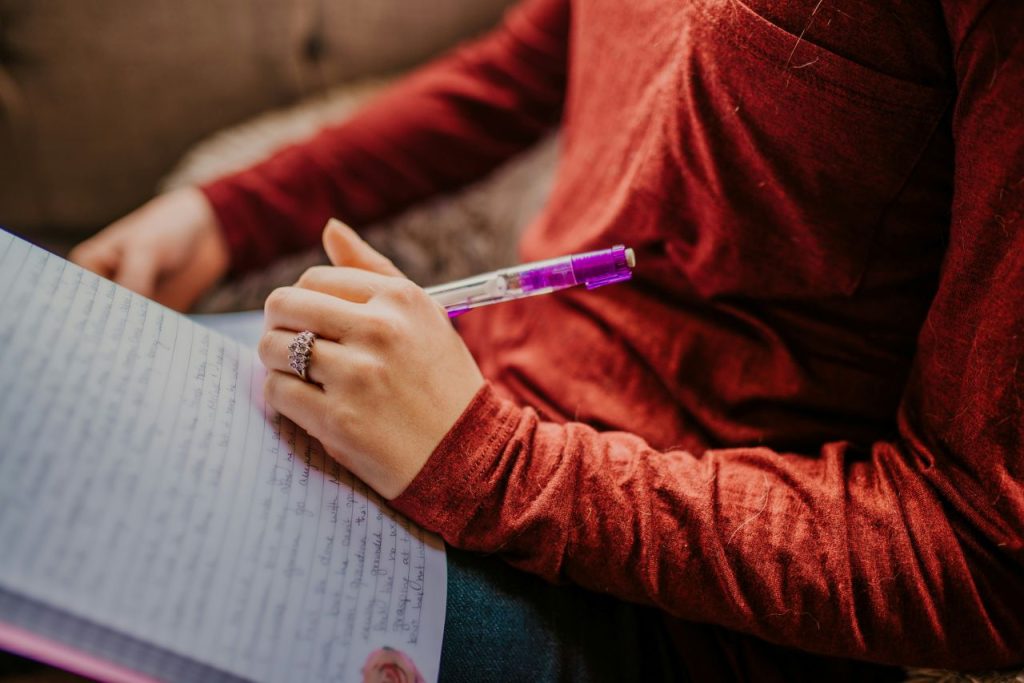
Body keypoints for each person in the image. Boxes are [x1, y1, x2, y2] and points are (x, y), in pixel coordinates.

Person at [70, 0, 1023, 679]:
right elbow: (528, 63)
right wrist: (225, 216)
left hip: (666, 611)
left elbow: (989, 560)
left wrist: (494, 465)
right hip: (488, 419)